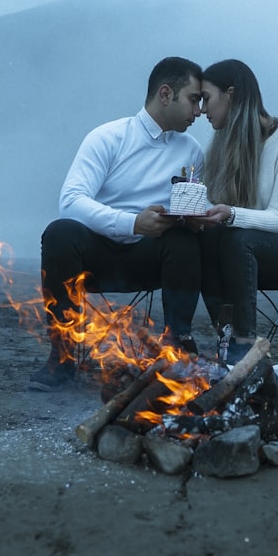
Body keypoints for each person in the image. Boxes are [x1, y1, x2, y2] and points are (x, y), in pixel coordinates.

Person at [30, 57, 206, 391]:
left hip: (151, 257)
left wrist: (198, 217)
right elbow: (70, 200)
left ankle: (178, 348)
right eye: (194, 99)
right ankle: (62, 356)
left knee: (184, 239)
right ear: (165, 94)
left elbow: (189, 204)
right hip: (98, 255)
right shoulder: (108, 137)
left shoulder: (192, 150)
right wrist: (132, 223)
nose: (198, 111)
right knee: (60, 232)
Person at [197, 59, 278, 365]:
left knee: (237, 239)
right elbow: (209, 204)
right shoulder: (221, 146)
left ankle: (244, 347)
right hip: (244, 257)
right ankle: (225, 337)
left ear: (230, 94)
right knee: (206, 238)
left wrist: (229, 214)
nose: (203, 109)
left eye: (207, 98)